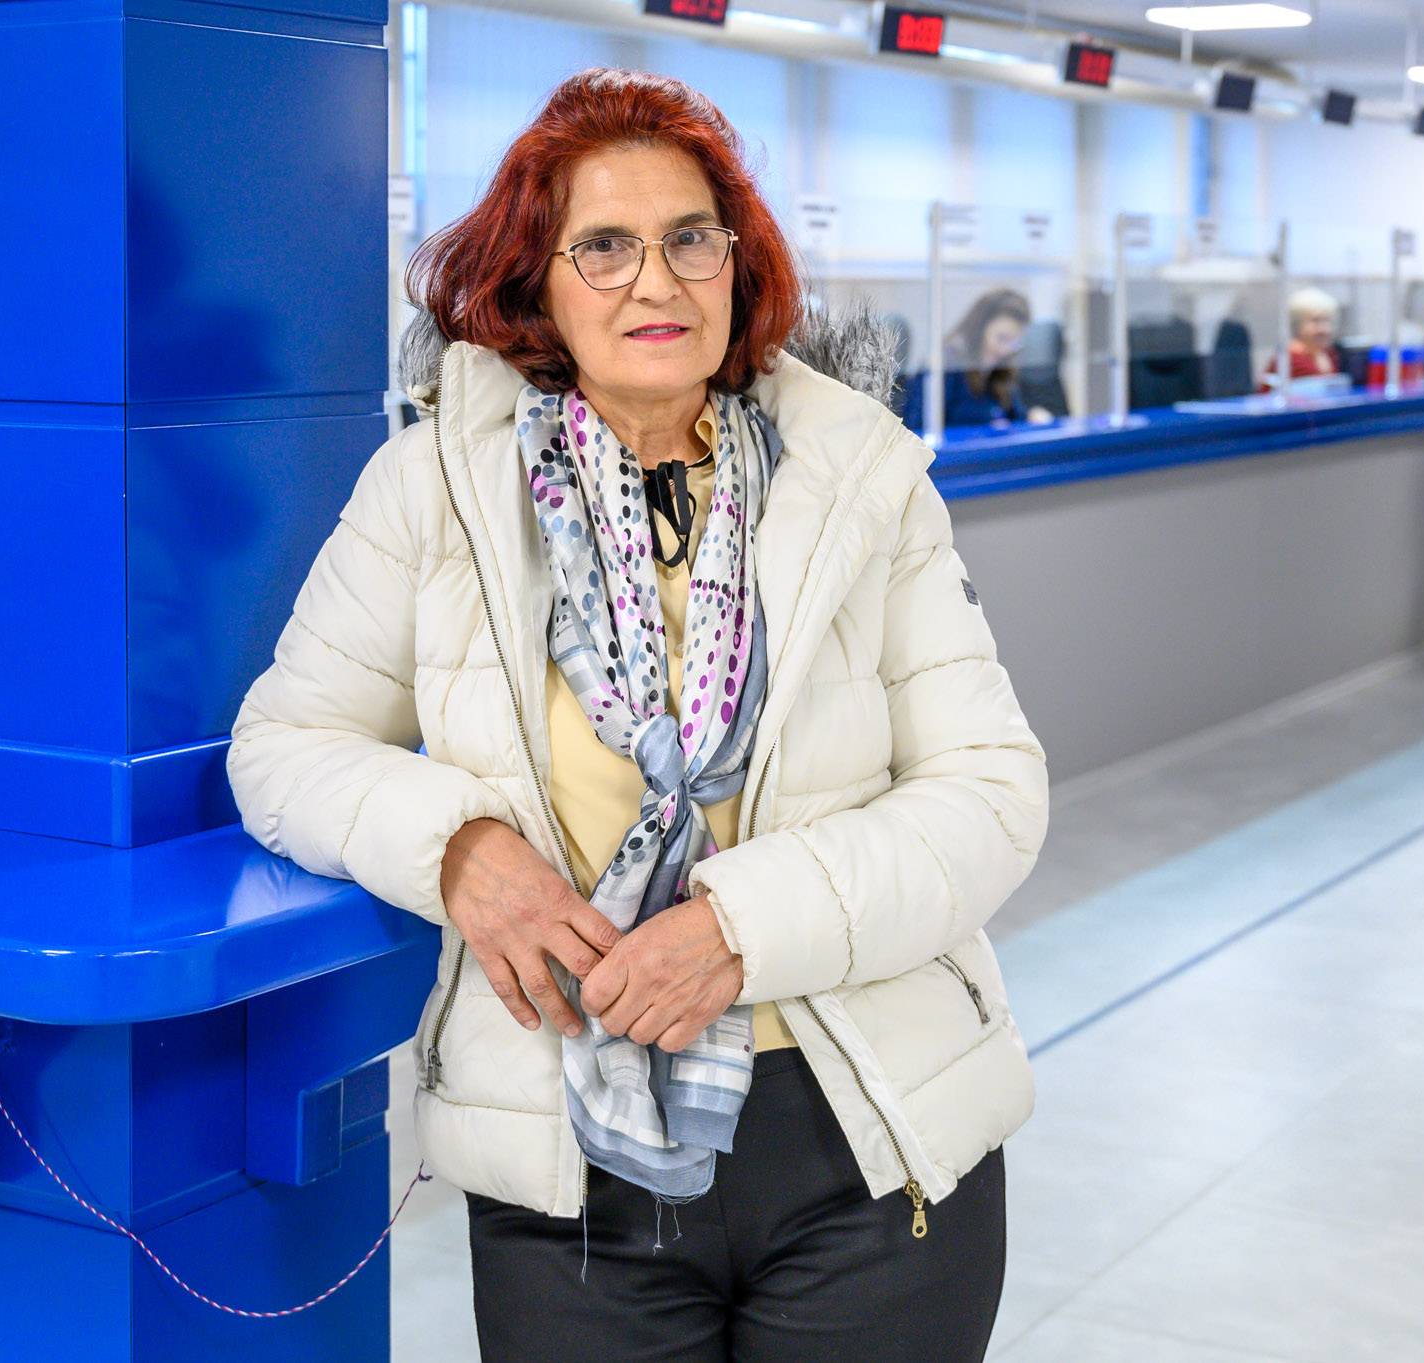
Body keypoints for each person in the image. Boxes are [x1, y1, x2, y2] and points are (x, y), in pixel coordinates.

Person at [228, 69, 1048, 1362]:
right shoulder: (436, 487)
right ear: (534, 282)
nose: (653, 283)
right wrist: (459, 848)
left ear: (739, 263)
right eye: (601, 246)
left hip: (867, 1141)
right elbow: (281, 745)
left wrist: (740, 922)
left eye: (689, 240)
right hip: (574, 1173)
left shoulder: (862, 477)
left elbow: (992, 791)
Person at [900, 288, 1054, 429]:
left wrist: (1031, 415)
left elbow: (1015, 414)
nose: (1006, 350)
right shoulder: (947, 364)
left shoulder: (998, 373)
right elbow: (919, 427)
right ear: (980, 330)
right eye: (1002, 338)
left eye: (1014, 342)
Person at [1261, 286, 1342, 391]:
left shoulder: (1330, 354)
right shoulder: (1289, 359)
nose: (1324, 329)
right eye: (1315, 321)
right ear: (1297, 323)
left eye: (1327, 321)